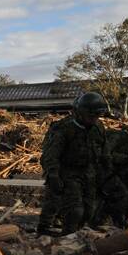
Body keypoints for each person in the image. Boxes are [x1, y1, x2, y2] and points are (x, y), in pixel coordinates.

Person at [37, 92, 108, 235]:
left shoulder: (98, 127)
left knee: (89, 210)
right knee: (74, 210)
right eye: (91, 116)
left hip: (88, 172)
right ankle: (67, 236)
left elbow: (104, 151)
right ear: (81, 113)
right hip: (67, 172)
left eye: (96, 116)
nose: (94, 119)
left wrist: (105, 172)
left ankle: (78, 233)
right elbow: (50, 155)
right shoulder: (63, 128)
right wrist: (53, 175)